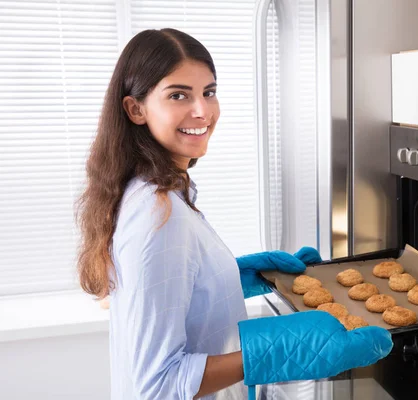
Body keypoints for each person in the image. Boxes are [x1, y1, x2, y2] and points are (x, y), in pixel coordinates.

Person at [76, 28, 392, 400]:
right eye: (179, 95)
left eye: (208, 92)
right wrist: (271, 353)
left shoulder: (159, 191)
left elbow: (163, 303)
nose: (202, 111)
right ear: (136, 109)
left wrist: (226, 279)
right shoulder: (155, 216)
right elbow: (158, 387)